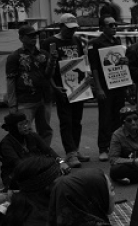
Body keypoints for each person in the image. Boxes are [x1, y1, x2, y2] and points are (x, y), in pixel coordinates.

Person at [41, 12, 96, 168]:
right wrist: (53, 86)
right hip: (61, 87)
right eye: (68, 28)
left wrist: (87, 77)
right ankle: (70, 153)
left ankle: (75, 149)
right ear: (61, 26)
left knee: (77, 120)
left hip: (78, 84)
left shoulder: (76, 40)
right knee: (66, 120)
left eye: (73, 29)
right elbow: (46, 68)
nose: (71, 31)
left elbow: (81, 61)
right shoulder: (49, 42)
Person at [87, 15, 129, 162]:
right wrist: (98, 88)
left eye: (115, 25)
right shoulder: (95, 43)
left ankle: (115, 145)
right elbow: (94, 68)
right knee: (105, 117)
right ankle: (103, 147)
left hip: (118, 83)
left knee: (119, 117)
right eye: (110, 25)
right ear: (102, 28)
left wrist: (125, 61)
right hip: (105, 85)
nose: (114, 27)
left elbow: (120, 62)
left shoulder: (117, 41)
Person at [5, 24, 54, 146]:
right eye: (30, 35)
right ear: (21, 38)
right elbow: (10, 81)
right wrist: (12, 105)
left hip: (44, 98)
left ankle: (44, 155)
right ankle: (27, 156)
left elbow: (48, 76)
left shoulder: (43, 54)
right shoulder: (14, 57)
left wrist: (52, 61)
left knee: (46, 130)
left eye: (35, 35)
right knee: (24, 130)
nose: (34, 37)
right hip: (25, 100)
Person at [0, 113, 69, 190]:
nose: (26, 126)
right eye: (21, 124)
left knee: (55, 169)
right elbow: (19, 165)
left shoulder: (32, 135)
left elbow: (48, 150)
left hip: (34, 169)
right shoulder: (6, 144)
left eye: (26, 123)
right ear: (13, 127)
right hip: (16, 175)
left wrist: (61, 162)